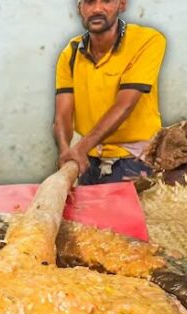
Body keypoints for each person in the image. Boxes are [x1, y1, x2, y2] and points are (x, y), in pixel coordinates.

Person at [54, 0, 166, 185]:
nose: (97, 9)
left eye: (106, 0)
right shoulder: (71, 53)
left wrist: (80, 148)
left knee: (124, 203)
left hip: (134, 159)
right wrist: (65, 150)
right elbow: (62, 115)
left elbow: (125, 105)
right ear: (79, 8)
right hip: (89, 158)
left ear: (122, 4)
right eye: (89, 2)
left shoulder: (147, 40)